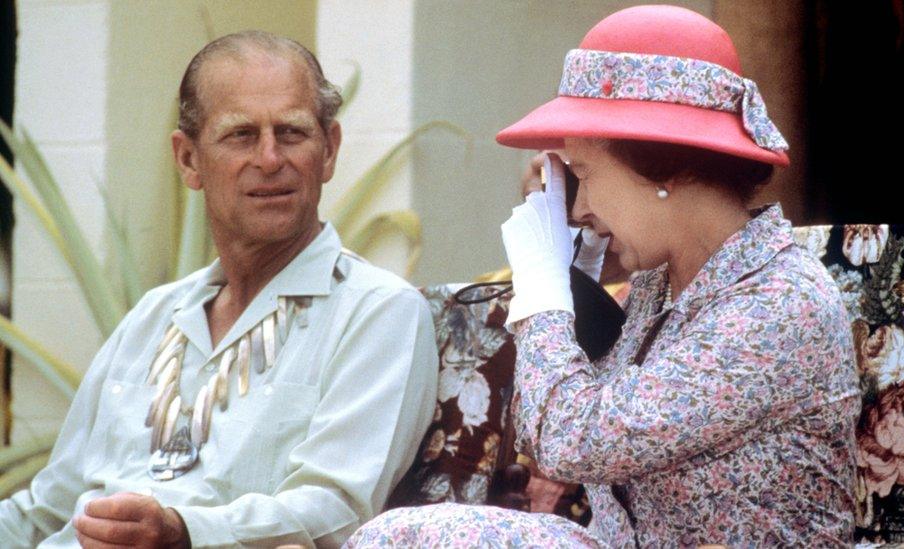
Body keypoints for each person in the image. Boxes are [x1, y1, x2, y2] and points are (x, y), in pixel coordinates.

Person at [346, 5, 859, 547]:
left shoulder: (777, 303)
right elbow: (563, 418)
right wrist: (576, 277)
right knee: (398, 536)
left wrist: (543, 293)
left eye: (585, 175)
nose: (578, 206)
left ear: (665, 168)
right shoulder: (664, 282)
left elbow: (570, 440)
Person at [0, 31, 438, 548]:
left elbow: (336, 509)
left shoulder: (378, 312)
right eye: (241, 136)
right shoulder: (153, 315)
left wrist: (182, 533)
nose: (271, 159)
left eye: (293, 133)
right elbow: (47, 508)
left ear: (329, 150)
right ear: (188, 160)